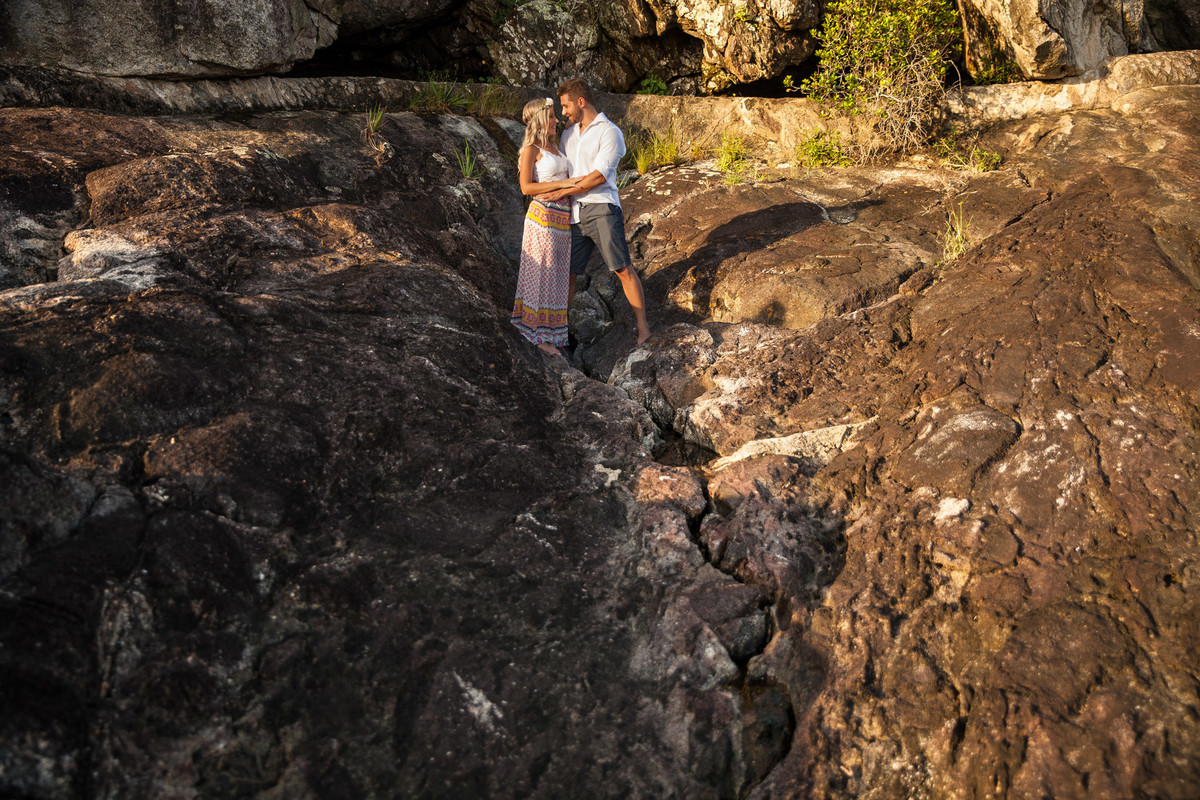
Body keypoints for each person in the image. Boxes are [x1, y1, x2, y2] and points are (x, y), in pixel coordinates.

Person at [539, 78, 651, 345]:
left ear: (581, 101)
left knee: (622, 269)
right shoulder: (568, 134)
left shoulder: (609, 132)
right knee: (567, 274)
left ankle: (644, 329)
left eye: (565, 106)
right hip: (573, 214)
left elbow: (599, 176)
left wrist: (563, 191)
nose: (563, 112)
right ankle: (559, 333)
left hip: (602, 207)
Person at [512, 97, 579, 355]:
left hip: (562, 218)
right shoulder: (532, 148)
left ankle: (551, 334)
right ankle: (537, 334)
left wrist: (573, 185)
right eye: (551, 116)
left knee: (558, 276)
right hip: (542, 218)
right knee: (543, 273)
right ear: (540, 120)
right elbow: (526, 187)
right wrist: (563, 185)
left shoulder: (556, 148)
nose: (556, 120)